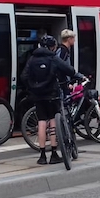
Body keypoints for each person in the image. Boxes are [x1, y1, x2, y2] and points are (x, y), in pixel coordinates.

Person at [22, 35, 79, 165]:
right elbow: (69, 70)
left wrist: (32, 86)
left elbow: (23, 76)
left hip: (38, 95)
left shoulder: (32, 59)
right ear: (52, 47)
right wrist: (78, 76)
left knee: (42, 122)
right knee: (53, 121)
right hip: (52, 94)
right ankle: (54, 153)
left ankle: (42, 155)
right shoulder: (53, 58)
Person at [55, 29, 76, 98]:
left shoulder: (61, 50)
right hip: (62, 84)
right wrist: (67, 83)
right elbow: (60, 68)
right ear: (69, 39)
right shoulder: (63, 51)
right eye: (73, 38)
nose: (74, 40)